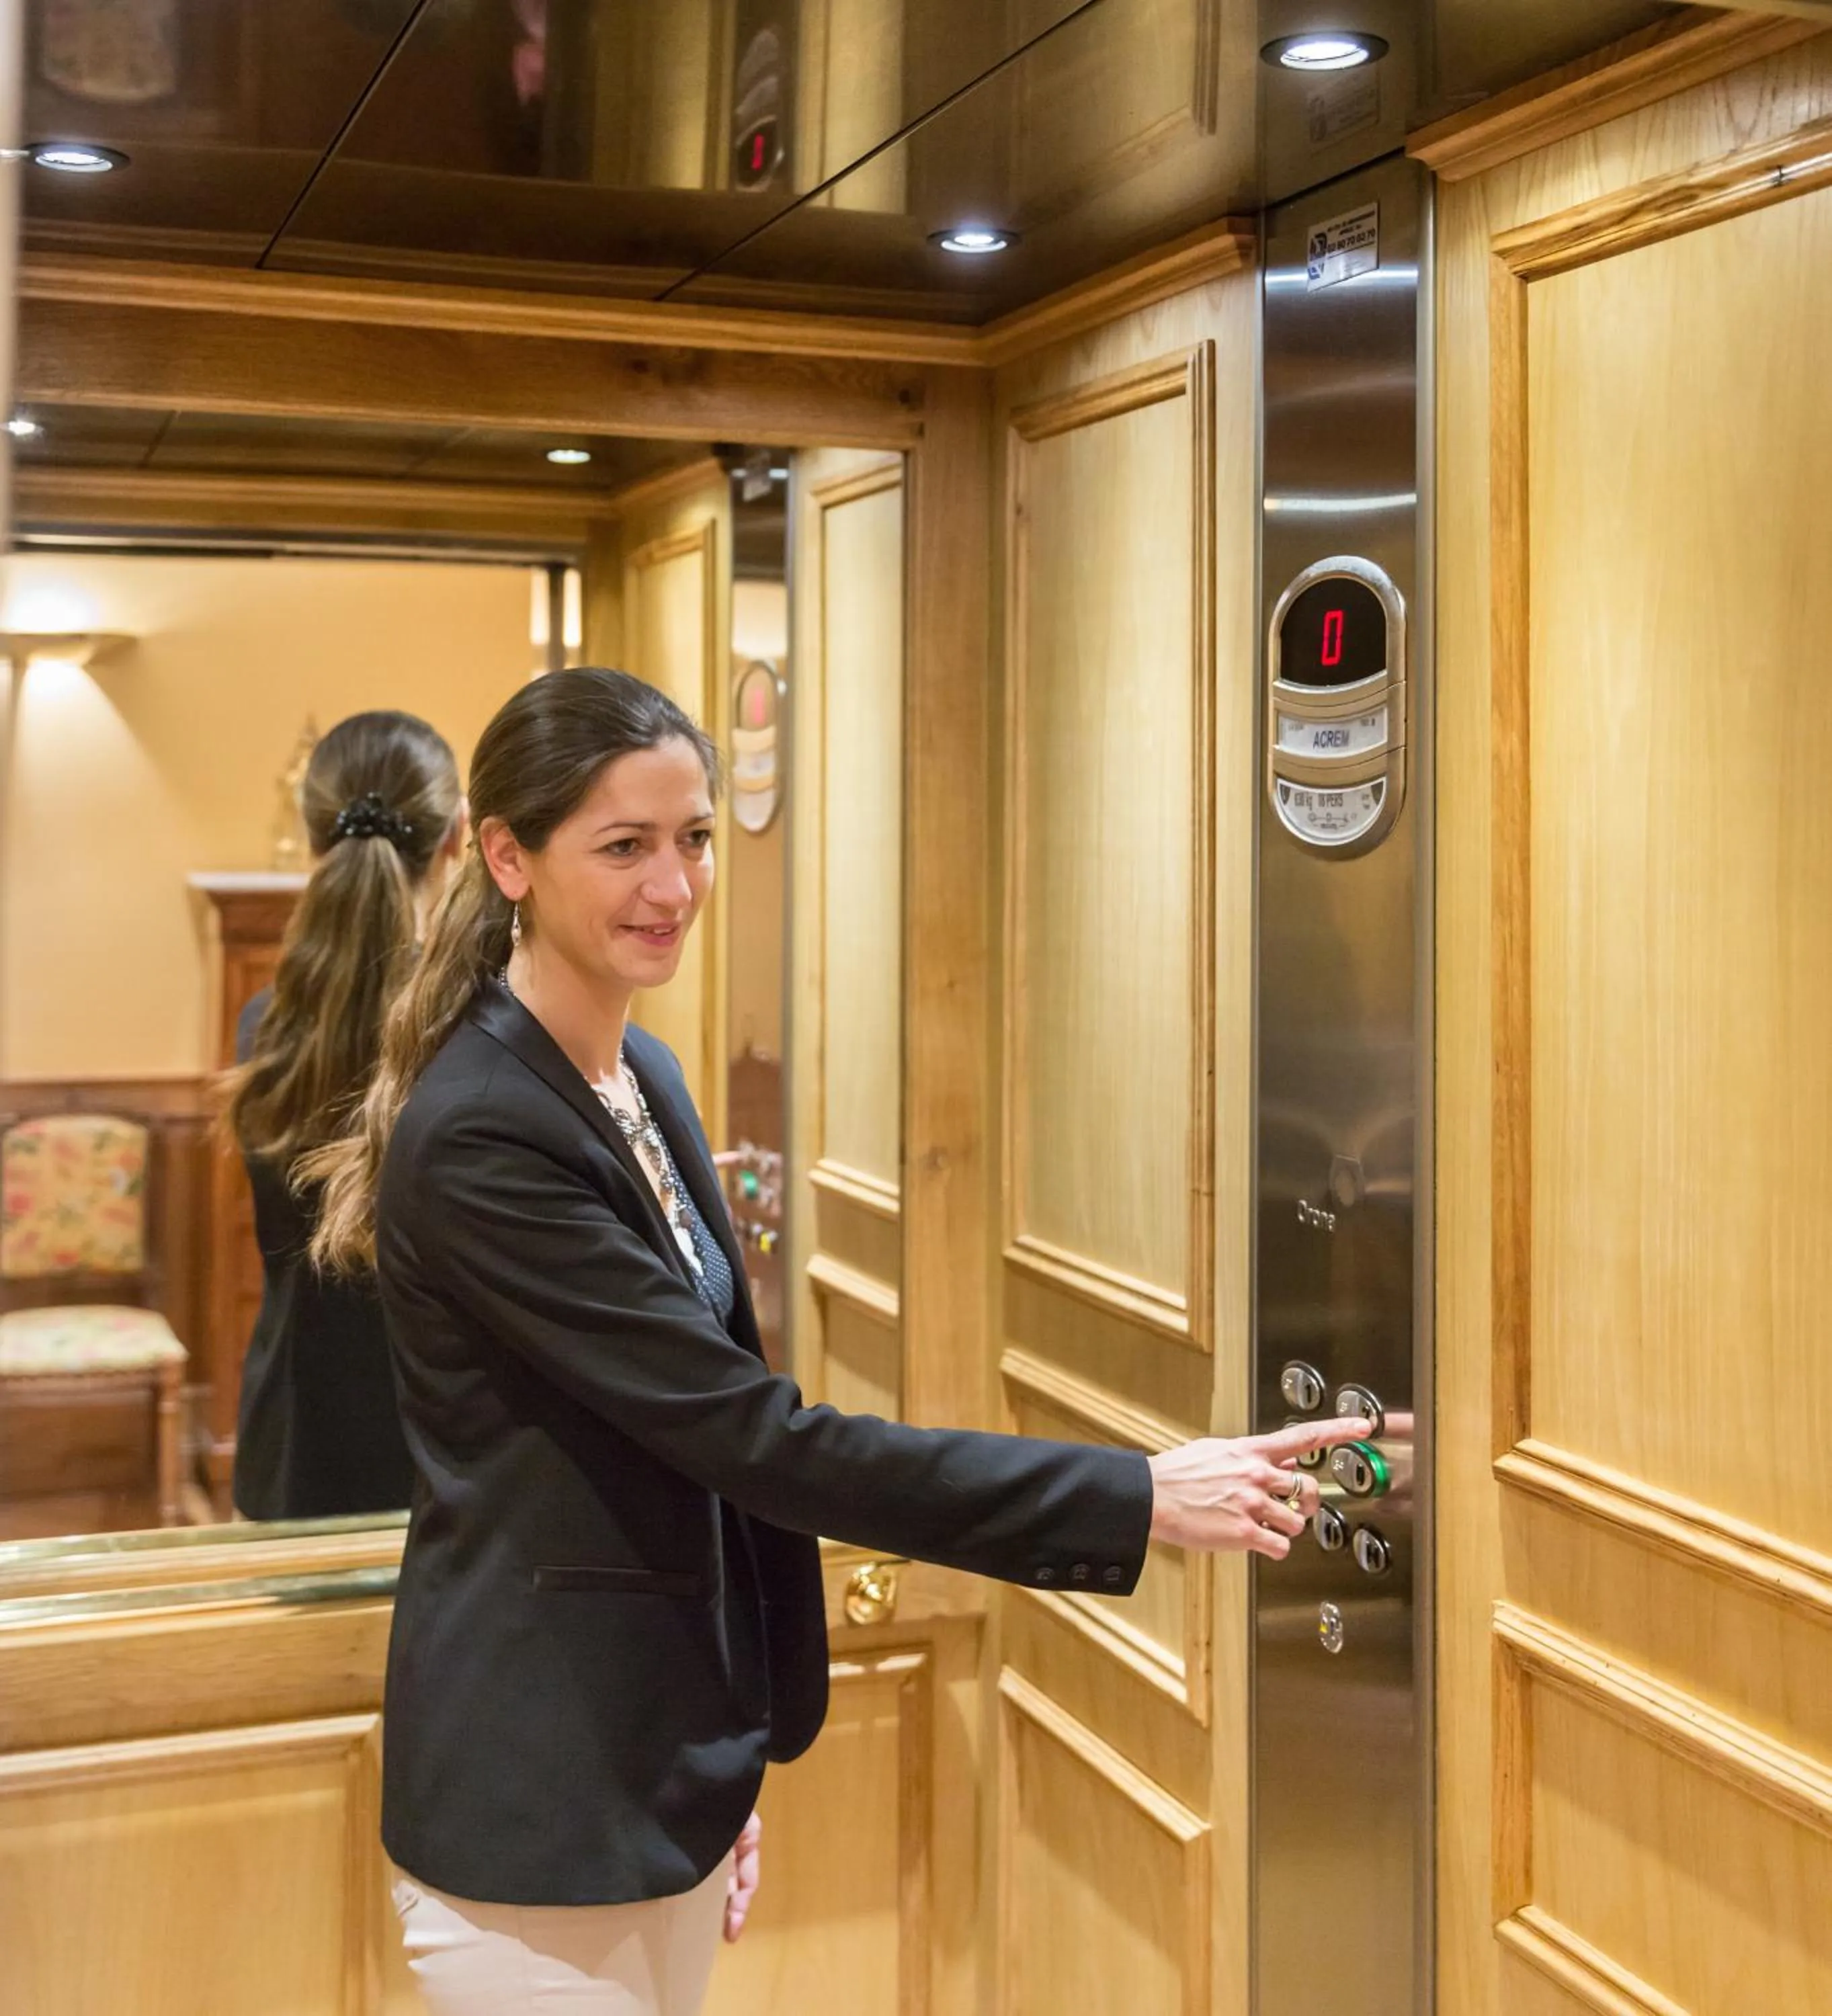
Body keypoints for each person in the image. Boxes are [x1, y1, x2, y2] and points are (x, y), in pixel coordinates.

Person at [305, 668, 1369, 2016]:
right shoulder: (483, 1135)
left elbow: (676, 1458)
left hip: (647, 1770)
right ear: (507, 858)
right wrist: (1139, 1496)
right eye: (623, 847)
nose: (674, 886)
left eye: (692, 839)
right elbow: (752, 1439)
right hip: (537, 1803)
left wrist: (713, 1762)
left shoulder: (642, 1077)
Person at [225, 710, 464, 1521]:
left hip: (289, 1441)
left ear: (314, 836)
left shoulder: (264, 1022)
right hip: (441, 1450)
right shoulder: (486, 1027)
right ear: (460, 838)